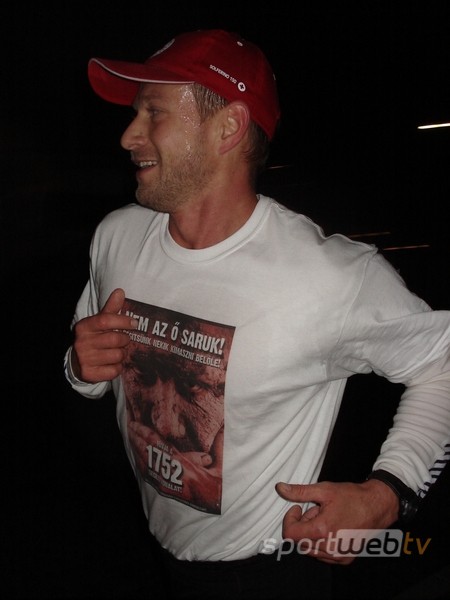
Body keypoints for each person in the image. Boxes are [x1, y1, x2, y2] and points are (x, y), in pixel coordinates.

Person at [64, 29, 450, 599]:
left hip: (273, 572)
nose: (128, 135)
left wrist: (388, 493)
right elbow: (89, 359)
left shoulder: (329, 277)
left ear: (228, 127)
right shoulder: (117, 236)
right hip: (159, 549)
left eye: (153, 112)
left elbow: (443, 363)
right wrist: (79, 367)